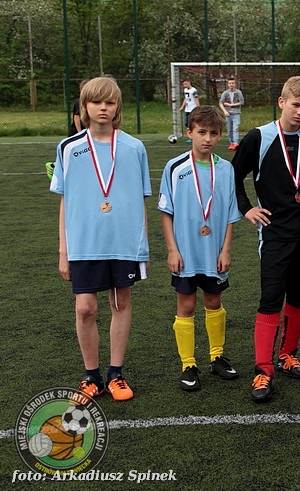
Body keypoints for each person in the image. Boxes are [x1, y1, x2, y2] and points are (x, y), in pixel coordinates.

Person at [232, 76, 300, 402]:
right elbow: (234, 175)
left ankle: (288, 354)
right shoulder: (259, 137)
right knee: (271, 299)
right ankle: (263, 370)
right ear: (282, 102)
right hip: (275, 233)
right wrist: (247, 209)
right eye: (296, 105)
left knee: (299, 297)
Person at [51, 76, 151, 401]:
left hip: (124, 242)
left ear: (118, 106)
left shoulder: (134, 148)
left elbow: (140, 200)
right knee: (85, 308)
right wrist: (63, 251)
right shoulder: (69, 148)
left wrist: (142, 248)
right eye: (96, 102)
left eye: (109, 102)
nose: (103, 108)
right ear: (85, 106)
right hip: (84, 243)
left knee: (120, 303)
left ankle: (115, 374)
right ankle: (91, 376)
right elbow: (65, 201)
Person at [159, 106, 243, 391]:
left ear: (220, 135)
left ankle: (217, 357)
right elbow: (166, 212)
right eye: (202, 132)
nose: (207, 138)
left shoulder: (226, 169)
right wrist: (172, 250)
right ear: (190, 132)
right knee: (186, 305)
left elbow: (230, 214)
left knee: (214, 302)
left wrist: (226, 250)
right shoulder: (175, 167)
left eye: (214, 133)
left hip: (214, 251)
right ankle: (188, 364)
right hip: (185, 252)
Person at [219, 77, 245, 151]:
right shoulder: (225, 93)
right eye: (230, 83)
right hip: (228, 114)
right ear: (228, 84)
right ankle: (231, 143)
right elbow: (221, 103)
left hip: (236, 113)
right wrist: (225, 111)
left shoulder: (238, 92)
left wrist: (231, 105)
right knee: (229, 129)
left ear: (235, 84)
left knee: (235, 128)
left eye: (233, 83)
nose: (231, 84)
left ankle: (235, 143)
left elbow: (242, 102)